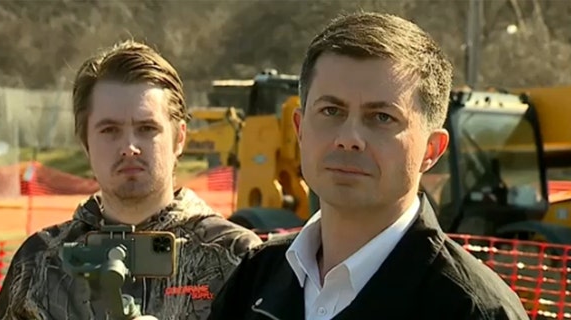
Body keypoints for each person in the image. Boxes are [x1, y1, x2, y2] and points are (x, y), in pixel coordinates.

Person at [208, 11, 530, 320]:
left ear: (432, 150)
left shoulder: (474, 310)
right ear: (300, 129)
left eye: (381, 118)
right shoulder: (254, 278)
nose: (349, 139)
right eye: (332, 111)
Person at [0, 40, 263, 320]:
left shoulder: (239, 256)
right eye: (110, 130)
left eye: (147, 128)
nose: (129, 146)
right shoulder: (39, 261)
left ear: (179, 138)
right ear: (85, 142)